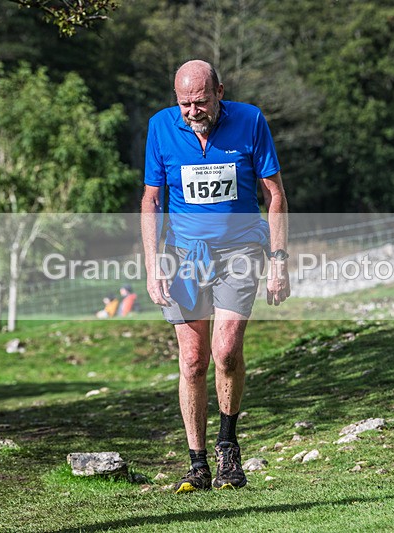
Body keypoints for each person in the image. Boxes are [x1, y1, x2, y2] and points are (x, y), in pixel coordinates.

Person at [141, 60, 290, 492]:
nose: (192, 111)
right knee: (192, 360)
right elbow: (151, 201)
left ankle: (228, 449)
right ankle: (197, 463)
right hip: (182, 255)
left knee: (225, 352)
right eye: (184, 103)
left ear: (219, 92)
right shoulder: (160, 128)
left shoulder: (250, 120)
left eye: (201, 101)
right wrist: (153, 265)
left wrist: (278, 260)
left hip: (240, 250)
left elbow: (274, 194)